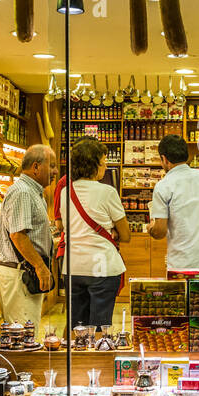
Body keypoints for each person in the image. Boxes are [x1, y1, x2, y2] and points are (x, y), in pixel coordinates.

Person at [60, 138, 131, 335]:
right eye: (103, 161)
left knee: (76, 326)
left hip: (73, 266)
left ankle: (74, 362)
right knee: (100, 326)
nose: (106, 165)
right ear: (94, 164)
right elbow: (125, 235)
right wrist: (113, 232)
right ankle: (98, 363)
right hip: (102, 266)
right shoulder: (107, 191)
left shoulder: (66, 191)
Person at [148, 133, 199, 274]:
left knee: (183, 296)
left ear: (164, 159)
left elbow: (159, 231)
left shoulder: (163, 186)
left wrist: (151, 227)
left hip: (182, 266)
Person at [0, 143, 58, 326]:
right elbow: (18, 235)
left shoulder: (33, 192)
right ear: (36, 167)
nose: (55, 171)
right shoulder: (22, 192)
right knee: (23, 336)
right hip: (20, 273)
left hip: (25, 272)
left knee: (27, 332)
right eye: (51, 165)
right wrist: (40, 267)